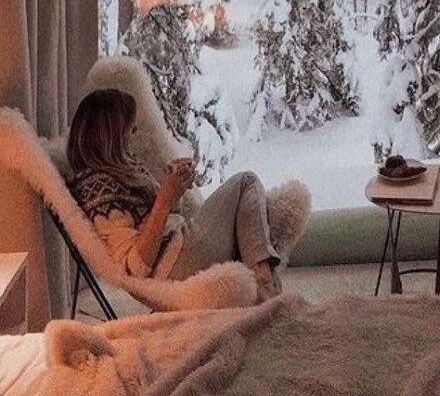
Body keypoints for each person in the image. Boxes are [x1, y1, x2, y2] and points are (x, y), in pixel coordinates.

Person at [66, 88, 281, 300]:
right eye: (129, 127)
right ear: (110, 132)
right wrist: (165, 197)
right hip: (174, 262)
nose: (135, 131)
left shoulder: (121, 168)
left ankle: (261, 286)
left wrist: (173, 186)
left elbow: (157, 218)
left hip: (176, 249)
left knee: (244, 210)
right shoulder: (97, 187)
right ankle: (266, 291)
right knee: (246, 181)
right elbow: (135, 267)